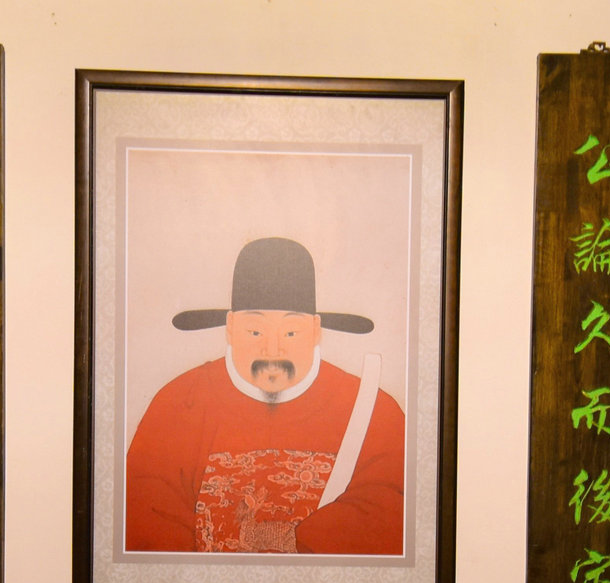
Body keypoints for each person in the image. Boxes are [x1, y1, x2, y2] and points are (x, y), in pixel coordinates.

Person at [125, 236, 406, 554]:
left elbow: (391, 511)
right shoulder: (178, 404)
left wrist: (304, 541)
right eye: (255, 331)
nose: (273, 349)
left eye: (291, 332)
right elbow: (145, 515)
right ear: (231, 327)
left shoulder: (374, 410)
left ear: (315, 331)